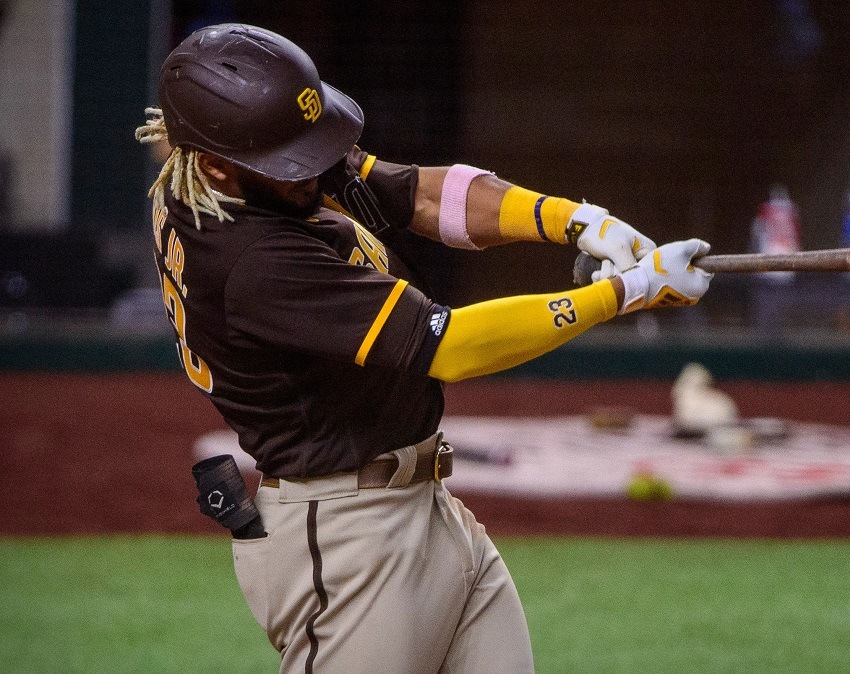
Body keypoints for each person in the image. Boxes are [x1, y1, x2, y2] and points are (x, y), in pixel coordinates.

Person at [136, 24, 711, 673]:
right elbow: (451, 344)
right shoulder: (253, 262)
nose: (317, 169)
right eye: (293, 160)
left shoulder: (241, 172)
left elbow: (419, 193)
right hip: (347, 539)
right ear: (215, 163)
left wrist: (577, 221)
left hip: (425, 508)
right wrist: (623, 295)